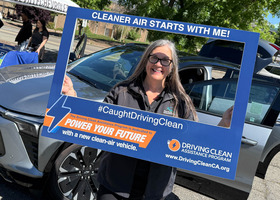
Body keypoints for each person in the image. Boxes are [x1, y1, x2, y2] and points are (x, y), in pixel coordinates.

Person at [62, 39, 232, 200]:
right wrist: (72, 97)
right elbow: (94, 125)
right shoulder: (121, 92)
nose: (159, 64)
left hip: (155, 192)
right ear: (146, 61)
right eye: (154, 58)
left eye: (165, 60)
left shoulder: (181, 102)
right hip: (114, 186)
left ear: (172, 67)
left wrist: (224, 124)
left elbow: (195, 142)